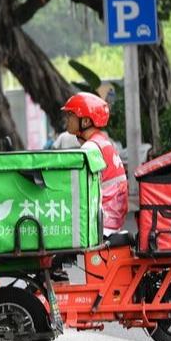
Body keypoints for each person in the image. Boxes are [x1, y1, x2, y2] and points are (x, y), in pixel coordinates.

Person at [61, 92, 128, 236]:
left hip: (102, 223)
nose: (67, 119)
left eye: (71, 115)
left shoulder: (91, 148)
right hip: (112, 219)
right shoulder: (102, 142)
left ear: (85, 121)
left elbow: (77, 189)